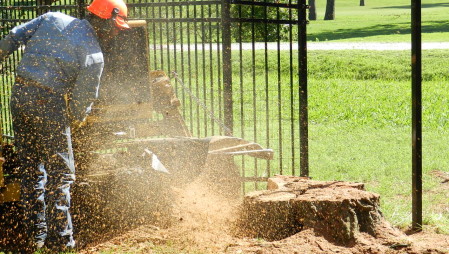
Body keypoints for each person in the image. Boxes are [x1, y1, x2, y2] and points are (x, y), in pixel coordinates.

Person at [0, 0, 129, 252]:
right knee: (61, 175)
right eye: (116, 27)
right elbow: (83, 100)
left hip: (19, 95)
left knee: (31, 168)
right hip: (49, 103)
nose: (115, 32)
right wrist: (73, 120)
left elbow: (13, 36)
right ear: (105, 20)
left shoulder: (51, 18)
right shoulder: (93, 55)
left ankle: (35, 236)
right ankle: (61, 240)